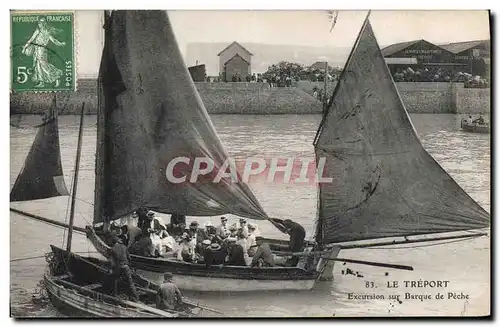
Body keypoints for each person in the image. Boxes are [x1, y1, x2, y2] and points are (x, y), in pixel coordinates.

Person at [22, 17, 65, 88]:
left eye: (41, 23)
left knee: (44, 65)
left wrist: (61, 44)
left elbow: (54, 40)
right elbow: (31, 39)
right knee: (38, 65)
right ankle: (42, 82)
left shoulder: (46, 31)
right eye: (39, 22)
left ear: (44, 23)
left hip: (42, 50)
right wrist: (25, 47)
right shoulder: (39, 30)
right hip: (37, 50)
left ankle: (57, 77)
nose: (40, 24)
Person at [109, 235, 139, 301]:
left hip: (119, 267)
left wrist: (111, 269)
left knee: (115, 280)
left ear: (113, 242)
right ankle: (136, 297)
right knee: (130, 283)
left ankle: (115, 295)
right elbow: (129, 258)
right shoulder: (124, 247)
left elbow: (112, 262)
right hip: (126, 266)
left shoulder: (113, 249)